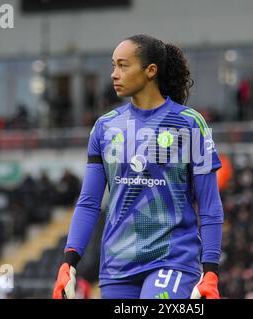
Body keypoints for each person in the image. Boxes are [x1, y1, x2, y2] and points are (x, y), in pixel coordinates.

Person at [53, 34, 224, 299]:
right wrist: (68, 263)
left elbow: (209, 205)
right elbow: (88, 202)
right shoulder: (104, 127)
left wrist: (210, 271)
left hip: (173, 261)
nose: (114, 74)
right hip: (117, 266)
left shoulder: (190, 124)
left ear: (150, 71)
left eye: (123, 65)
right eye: (113, 66)